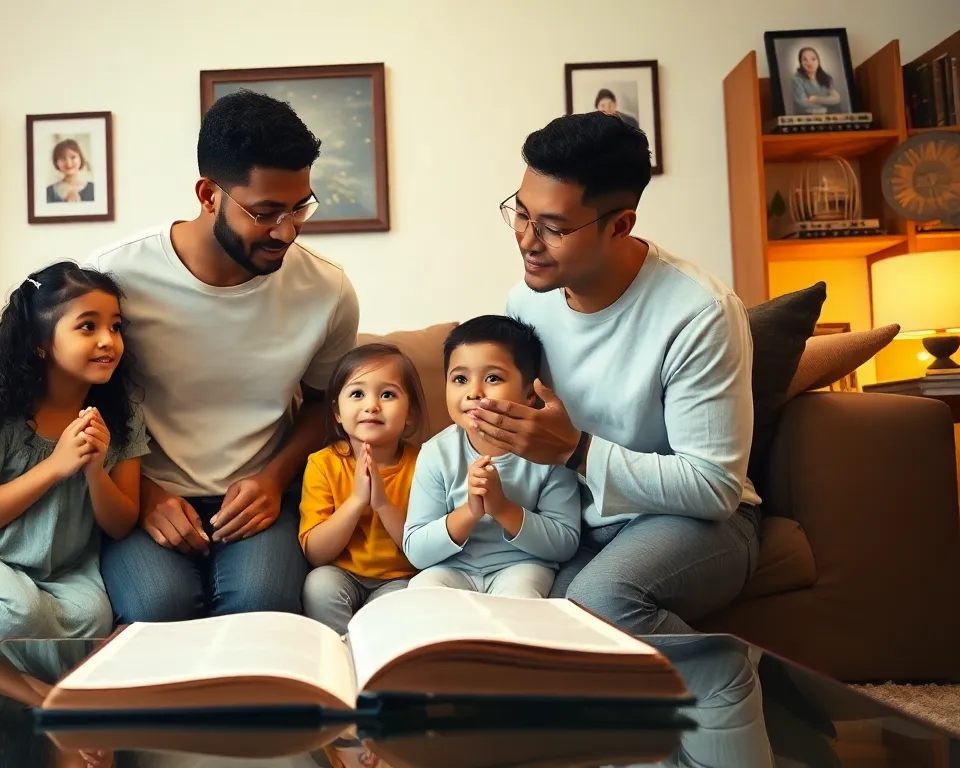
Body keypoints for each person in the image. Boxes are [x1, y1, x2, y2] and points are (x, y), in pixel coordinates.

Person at [473, 111, 761, 634]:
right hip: (577, 521)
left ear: (621, 224)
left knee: (598, 602)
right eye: (520, 213)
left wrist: (575, 450)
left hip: (695, 523)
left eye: (554, 228)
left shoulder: (699, 313)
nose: (527, 240)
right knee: (539, 624)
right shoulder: (525, 303)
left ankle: (746, 684)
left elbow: (715, 486)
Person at [83, 89, 360, 623]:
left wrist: (276, 478)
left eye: (300, 205)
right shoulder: (114, 276)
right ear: (209, 194)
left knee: (261, 610)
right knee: (156, 609)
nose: (288, 229)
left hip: (261, 493)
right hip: (142, 488)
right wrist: (141, 493)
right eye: (266, 212)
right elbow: (77, 401)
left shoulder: (328, 289)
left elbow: (329, 406)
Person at [0, 261, 148, 652]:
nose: (109, 340)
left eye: (116, 326)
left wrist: (95, 470)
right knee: (22, 612)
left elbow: (122, 524)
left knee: (94, 623)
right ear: (41, 342)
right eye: (88, 326)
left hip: (61, 572)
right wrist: (57, 466)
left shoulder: (123, 418)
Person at [403, 316, 581, 598]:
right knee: (422, 592)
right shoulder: (436, 453)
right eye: (460, 379)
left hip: (521, 566)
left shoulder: (548, 449)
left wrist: (501, 508)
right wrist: (470, 512)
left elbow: (565, 543)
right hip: (453, 568)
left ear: (529, 395)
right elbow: (416, 551)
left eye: (493, 378)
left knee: (518, 605)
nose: (473, 392)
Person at [298, 343, 424, 634]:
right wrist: (356, 501)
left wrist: (381, 504)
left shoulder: (423, 465)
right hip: (341, 573)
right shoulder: (322, 463)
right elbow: (316, 555)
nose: (372, 406)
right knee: (318, 584)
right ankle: (340, 653)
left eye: (388, 394)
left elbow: (421, 552)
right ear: (338, 413)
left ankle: (375, 659)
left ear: (410, 414)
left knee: (404, 600)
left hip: (400, 577)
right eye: (357, 394)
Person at [789, 46, 842, 115]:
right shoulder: (796, 80)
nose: (809, 63)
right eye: (805, 60)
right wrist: (826, 106)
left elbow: (836, 99)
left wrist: (815, 99)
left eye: (813, 59)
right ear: (800, 63)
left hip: (830, 116)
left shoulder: (827, 78)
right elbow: (802, 103)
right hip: (807, 117)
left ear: (818, 61)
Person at [46, 138, 96, 203]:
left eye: (73, 157)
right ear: (56, 162)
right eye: (62, 158)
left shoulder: (93, 189)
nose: (69, 164)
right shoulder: (48, 192)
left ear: (80, 158)